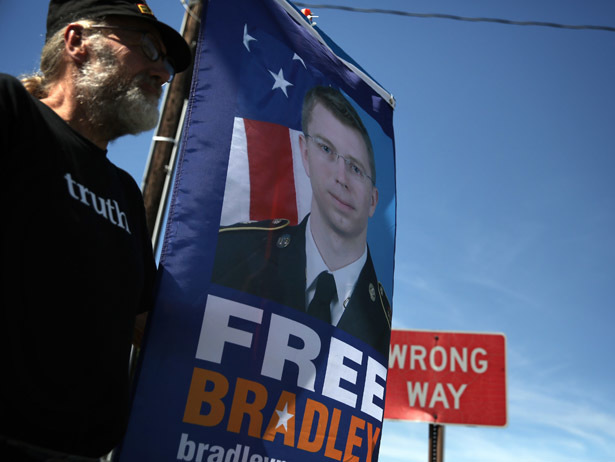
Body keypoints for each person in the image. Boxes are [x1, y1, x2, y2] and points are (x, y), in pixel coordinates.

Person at [0, 0, 190, 460]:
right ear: (76, 43)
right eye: (148, 47)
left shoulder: (123, 191)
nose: (163, 73)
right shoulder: (13, 113)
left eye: (166, 61)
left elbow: (145, 323)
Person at [212, 86, 392, 358]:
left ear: (373, 201)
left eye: (356, 168)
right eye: (327, 150)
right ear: (305, 155)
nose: (341, 177)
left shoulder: (386, 328)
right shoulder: (230, 252)